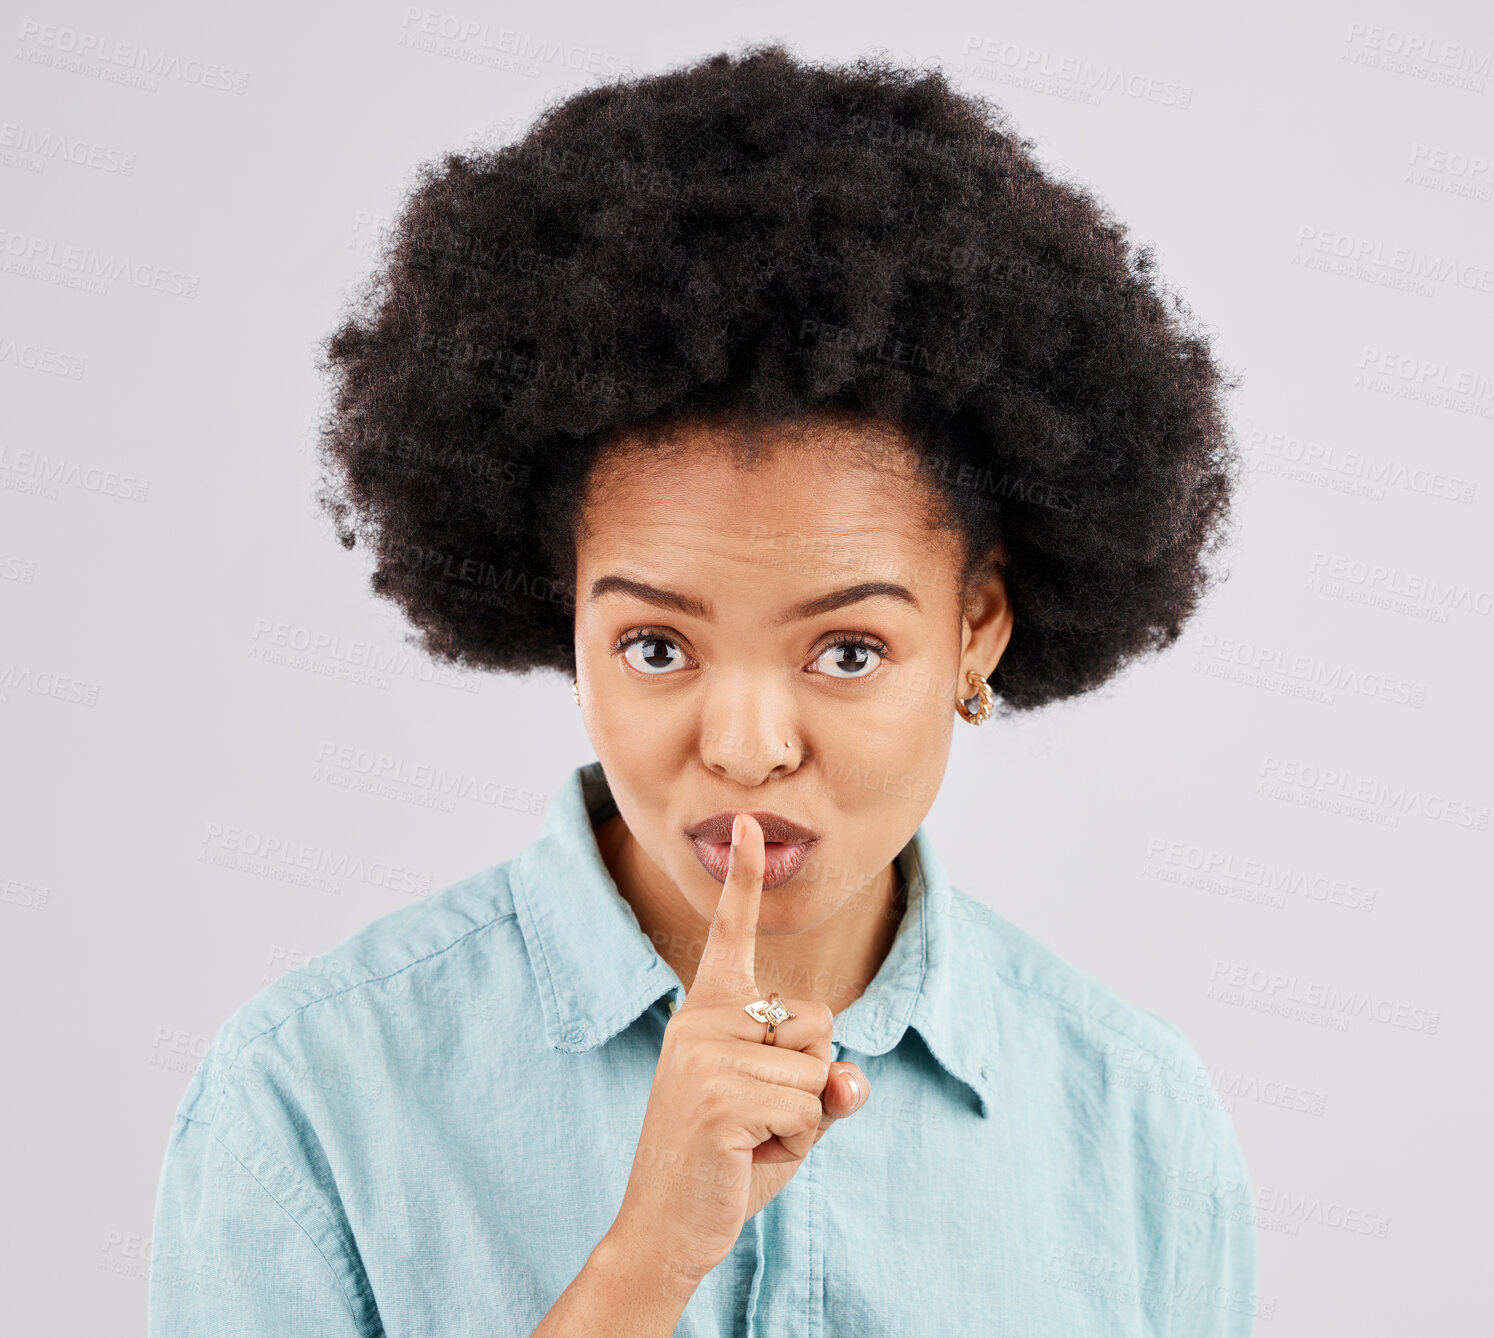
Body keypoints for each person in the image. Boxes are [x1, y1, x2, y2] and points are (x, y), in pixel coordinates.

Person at [149, 43, 1256, 1337]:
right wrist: (642, 1265)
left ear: (977, 630)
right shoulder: (314, 1095)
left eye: (846, 651)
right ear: (565, 620)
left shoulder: (1130, 1123)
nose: (742, 746)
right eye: (657, 647)